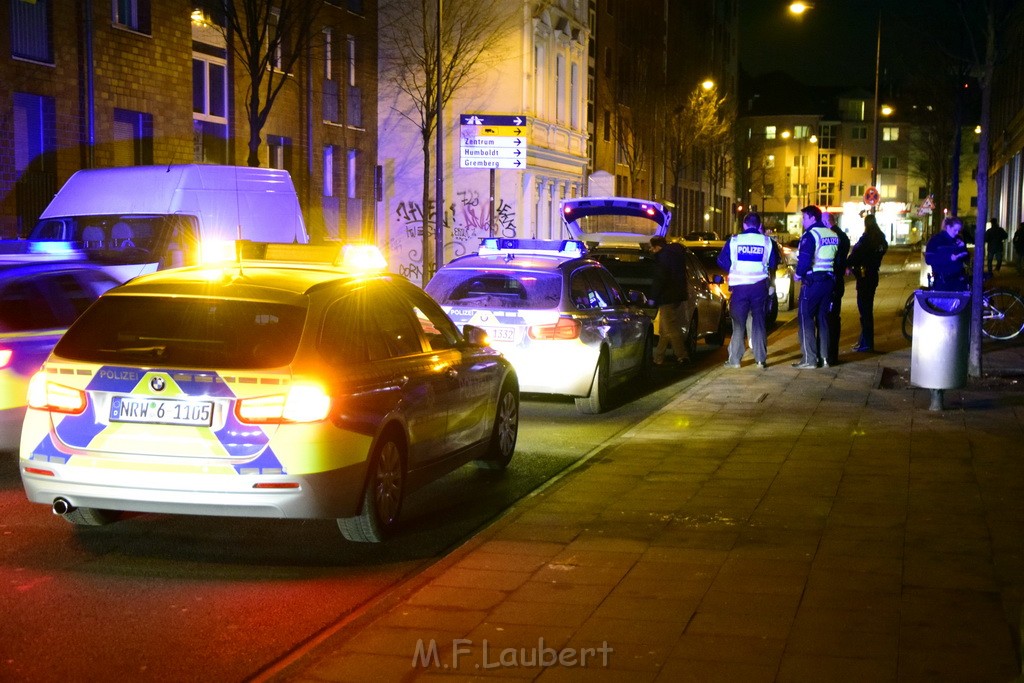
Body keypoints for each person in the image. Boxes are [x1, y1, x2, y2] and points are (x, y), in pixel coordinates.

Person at [717, 211, 778, 369]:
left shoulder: (734, 240)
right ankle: (760, 360)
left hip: (740, 288)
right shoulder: (767, 242)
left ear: (744, 224)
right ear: (759, 225)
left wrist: (734, 269)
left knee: (738, 324)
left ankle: (735, 360)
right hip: (759, 287)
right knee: (759, 322)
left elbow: (721, 261)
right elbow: (773, 263)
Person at [793, 205, 839, 369]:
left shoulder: (810, 235)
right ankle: (824, 358)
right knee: (823, 319)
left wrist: (798, 274)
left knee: (805, 319)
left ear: (812, 218)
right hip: (828, 281)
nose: (803, 221)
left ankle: (809, 359)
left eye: (804, 218)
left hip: (813, 282)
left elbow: (805, 259)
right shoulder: (832, 234)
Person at [847, 213, 888, 352]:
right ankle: (864, 340)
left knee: (864, 310)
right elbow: (882, 251)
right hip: (873, 274)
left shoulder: (866, 239)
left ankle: (866, 343)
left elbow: (855, 255)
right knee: (867, 309)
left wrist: (847, 264)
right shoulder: (881, 238)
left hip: (864, 276)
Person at [649, 236, 690, 365]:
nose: (651, 250)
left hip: (667, 297)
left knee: (671, 328)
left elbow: (660, 279)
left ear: (657, 247)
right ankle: (658, 358)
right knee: (664, 330)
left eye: (652, 248)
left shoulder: (663, 257)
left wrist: (652, 298)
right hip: (677, 296)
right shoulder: (675, 255)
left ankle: (682, 356)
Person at [821, 211, 850, 365]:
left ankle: (829, 355)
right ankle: (831, 354)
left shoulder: (832, 236)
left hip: (832, 281)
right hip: (837, 282)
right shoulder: (842, 237)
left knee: (829, 319)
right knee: (833, 318)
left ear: (827, 222)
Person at [925, 215, 970, 291]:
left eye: (958, 231)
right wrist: (949, 258)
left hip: (958, 279)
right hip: (942, 280)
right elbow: (929, 259)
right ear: (948, 227)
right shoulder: (936, 240)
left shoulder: (958, 239)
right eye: (955, 230)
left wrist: (962, 249)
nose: (957, 233)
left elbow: (966, 258)